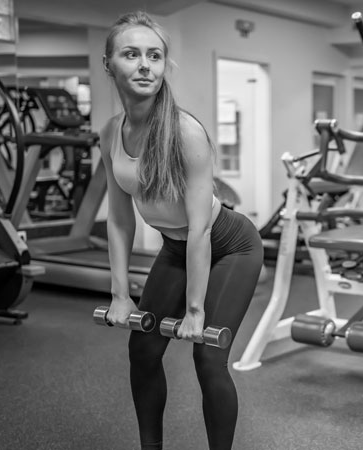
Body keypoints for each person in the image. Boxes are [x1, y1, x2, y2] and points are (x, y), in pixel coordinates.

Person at [99, 11, 263, 450]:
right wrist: (119, 293)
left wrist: (194, 311)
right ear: (109, 63)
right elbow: (119, 217)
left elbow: (199, 229)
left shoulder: (185, 132)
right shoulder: (111, 132)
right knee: (143, 351)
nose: (145, 65)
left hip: (229, 245)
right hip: (177, 248)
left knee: (208, 359)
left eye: (154, 55)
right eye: (131, 54)